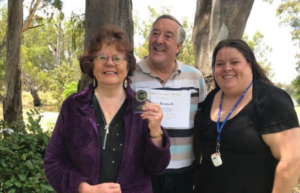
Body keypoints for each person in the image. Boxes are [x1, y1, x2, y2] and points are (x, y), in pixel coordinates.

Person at [43, 24, 171, 193]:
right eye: (102, 57)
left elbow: (155, 168)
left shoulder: (142, 108)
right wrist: (84, 189)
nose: (110, 63)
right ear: (92, 65)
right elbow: (54, 162)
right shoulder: (73, 107)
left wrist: (156, 132)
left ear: (127, 67)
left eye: (118, 58)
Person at [194, 38, 300, 193]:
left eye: (235, 62)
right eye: (220, 64)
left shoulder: (271, 100)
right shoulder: (211, 98)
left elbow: (291, 161)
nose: (227, 68)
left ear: (250, 65)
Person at [131, 15, 207, 193]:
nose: (159, 40)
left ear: (179, 46)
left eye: (168, 36)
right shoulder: (130, 76)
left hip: (184, 173)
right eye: (155, 34)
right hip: (143, 172)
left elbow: (203, 123)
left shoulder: (195, 77)